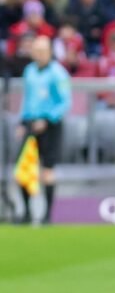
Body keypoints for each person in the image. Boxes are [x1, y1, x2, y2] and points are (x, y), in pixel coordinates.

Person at [15, 36, 71, 224]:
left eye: (42, 50)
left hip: (50, 125)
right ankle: (27, 213)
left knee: (47, 170)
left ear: (49, 52)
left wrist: (48, 119)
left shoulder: (58, 73)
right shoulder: (29, 71)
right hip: (30, 123)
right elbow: (27, 99)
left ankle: (47, 215)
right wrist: (22, 122)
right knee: (24, 168)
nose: (38, 54)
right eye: (36, 50)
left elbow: (65, 102)